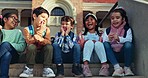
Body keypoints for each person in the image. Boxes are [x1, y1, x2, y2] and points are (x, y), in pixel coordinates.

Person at [19, 7, 55, 77]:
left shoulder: (47, 29)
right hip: (31, 56)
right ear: (35, 16)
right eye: (43, 17)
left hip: (43, 56)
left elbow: (48, 42)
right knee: (31, 47)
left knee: (49, 47)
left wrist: (40, 39)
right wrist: (39, 33)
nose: (44, 20)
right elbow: (29, 42)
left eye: (46, 19)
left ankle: (47, 68)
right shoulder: (27, 29)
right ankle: (29, 69)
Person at [103, 7, 134, 76]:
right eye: (112, 18)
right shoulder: (108, 30)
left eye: (117, 18)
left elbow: (129, 39)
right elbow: (103, 40)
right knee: (105, 44)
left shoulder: (127, 29)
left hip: (123, 54)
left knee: (128, 44)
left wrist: (119, 39)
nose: (114, 20)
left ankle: (127, 68)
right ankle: (117, 68)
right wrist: (109, 39)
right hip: (112, 55)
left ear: (123, 19)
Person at [0, 13, 26, 78]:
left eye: (17, 20)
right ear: (5, 19)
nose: (15, 21)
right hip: (3, 56)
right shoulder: (1, 31)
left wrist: (9, 45)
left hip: (14, 56)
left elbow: (22, 47)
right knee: (7, 55)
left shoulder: (18, 32)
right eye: (13, 18)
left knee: (5, 45)